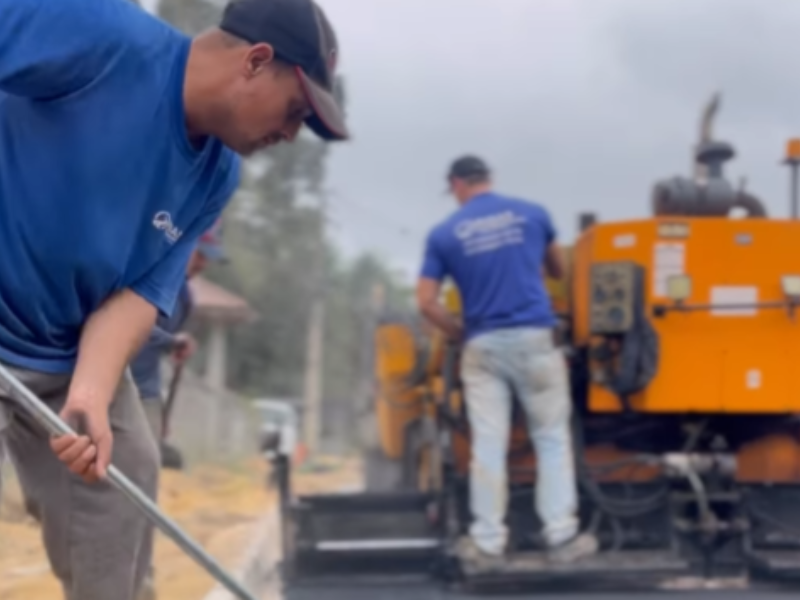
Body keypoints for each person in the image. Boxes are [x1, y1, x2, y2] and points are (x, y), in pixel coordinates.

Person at [0, 0, 348, 598]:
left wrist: (90, 389)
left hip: (61, 349)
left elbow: (140, 292)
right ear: (255, 61)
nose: (291, 135)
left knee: (126, 466)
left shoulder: (217, 175)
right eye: (295, 111)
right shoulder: (104, 37)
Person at [416, 156, 597, 570]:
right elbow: (558, 268)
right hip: (536, 338)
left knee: (489, 444)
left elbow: (426, 302)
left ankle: (488, 542)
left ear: (457, 184)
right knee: (551, 438)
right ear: (489, 180)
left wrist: (460, 332)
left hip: (483, 347)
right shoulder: (532, 214)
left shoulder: (444, 234)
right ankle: (560, 535)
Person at [131, 221, 225, 445]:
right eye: (200, 254)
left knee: (145, 470)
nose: (204, 264)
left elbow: (158, 347)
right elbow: (130, 326)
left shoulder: (185, 300)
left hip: (146, 394)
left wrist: (175, 345)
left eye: (208, 258)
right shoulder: (144, 276)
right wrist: (172, 341)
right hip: (112, 386)